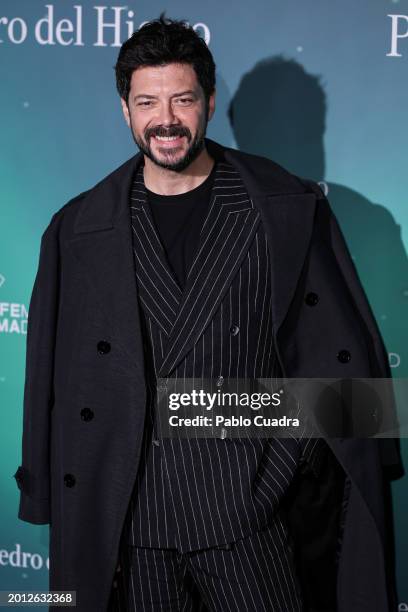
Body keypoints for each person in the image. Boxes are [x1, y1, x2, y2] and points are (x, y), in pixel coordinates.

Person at [14, 14, 402, 612]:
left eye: (182, 99)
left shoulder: (286, 210)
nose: (165, 119)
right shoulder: (78, 228)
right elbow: (48, 378)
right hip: (131, 527)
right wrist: (42, 491)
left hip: (251, 521)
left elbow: (353, 381)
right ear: (125, 109)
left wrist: (276, 463)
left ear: (209, 102)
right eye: (147, 101)